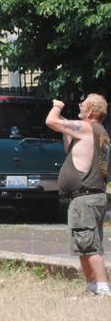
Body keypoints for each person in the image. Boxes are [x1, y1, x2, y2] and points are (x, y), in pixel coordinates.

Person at [45, 94, 111, 297]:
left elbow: (50, 121)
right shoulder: (99, 132)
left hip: (85, 198)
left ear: (90, 111)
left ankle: (102, 288)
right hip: (90, 197)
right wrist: (65, 126)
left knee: (90, 245)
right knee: (84, 244)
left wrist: (57, 107)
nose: (80, 105)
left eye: (84, 103)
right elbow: (71, 148)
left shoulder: (87, 128)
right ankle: (92, 287)